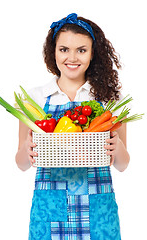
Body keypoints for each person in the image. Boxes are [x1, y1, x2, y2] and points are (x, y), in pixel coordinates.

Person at [15, 13, 130, 240]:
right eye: (64, 49)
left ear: (92, 53)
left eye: (82, 50)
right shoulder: (35, 98)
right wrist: (27, 149)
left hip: (99, 210)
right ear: (53, 51)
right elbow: (20, 164)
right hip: (49, 208)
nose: (72, 57)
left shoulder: (109, 99)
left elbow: (123, 165)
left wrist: (117, 147)